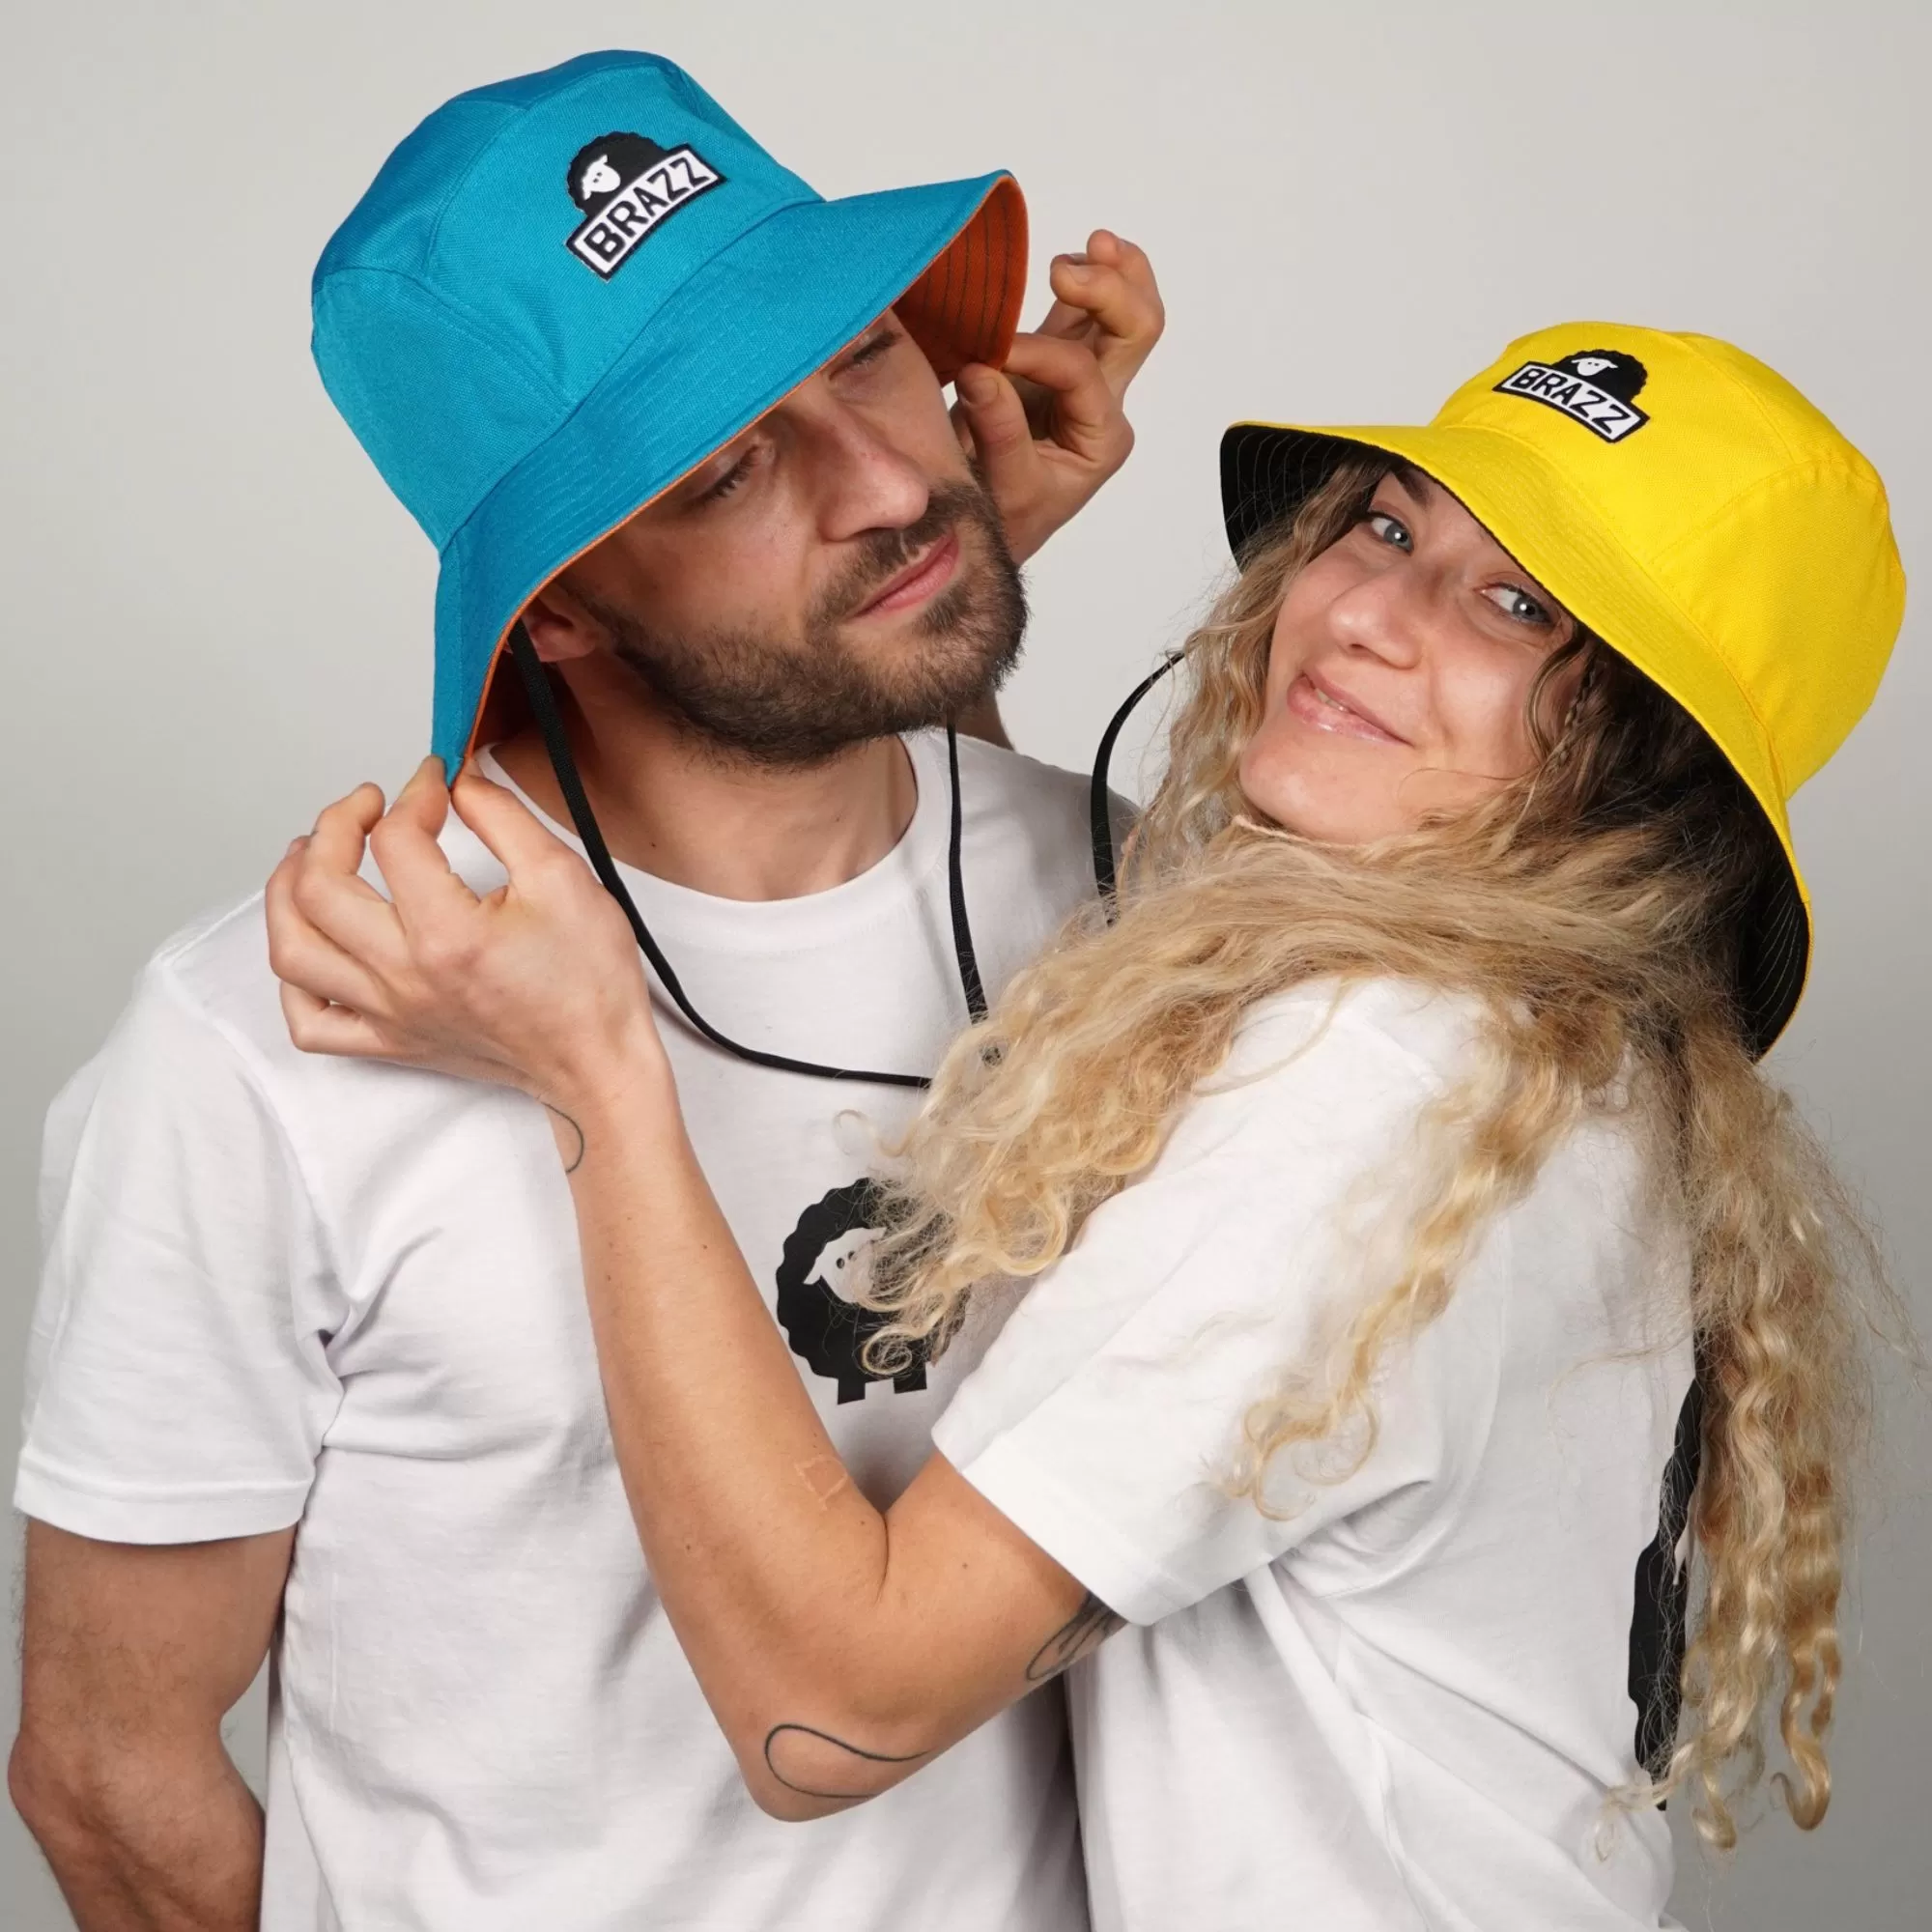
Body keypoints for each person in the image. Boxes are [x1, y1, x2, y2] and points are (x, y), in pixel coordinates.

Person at [264, 324, 1903, 1930]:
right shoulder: (1554, 1052)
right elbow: (1123, 1104)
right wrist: (909, 604)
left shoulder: (1384, 1080)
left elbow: (830, 1713)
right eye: (1389, 530)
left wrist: (596, 1079)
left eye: (1520, 608)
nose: (1364, 618)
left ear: (1649, 771)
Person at [10, 50, 1163, 1931]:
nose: (890, 482)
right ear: (550, 602)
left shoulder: (1124, 892)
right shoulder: (267, 1046)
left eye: (869, 355)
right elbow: (108, 1777)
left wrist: (912, 605)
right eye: (725, 468)